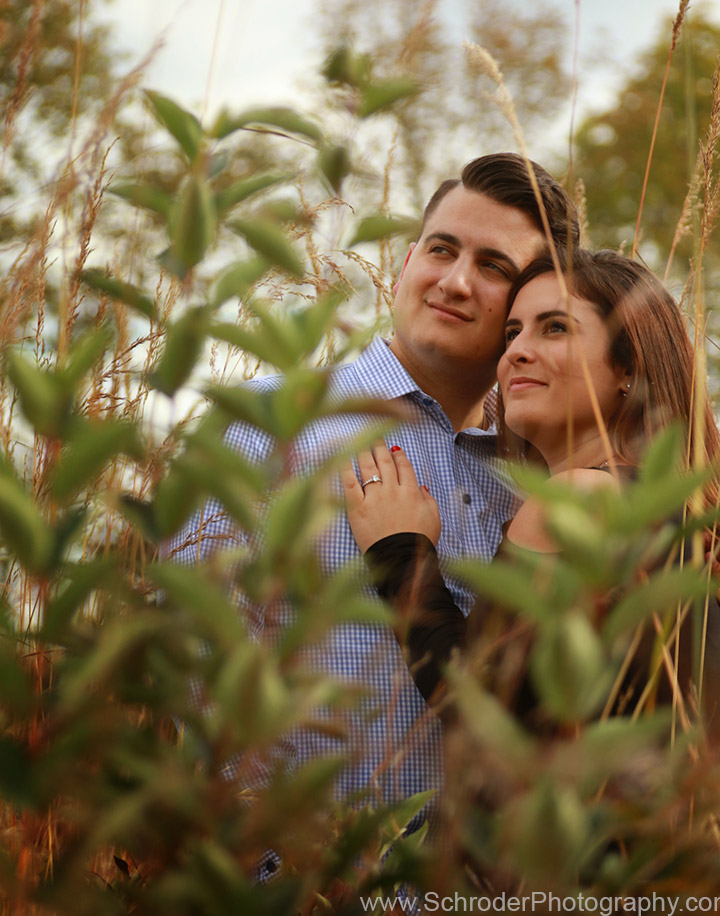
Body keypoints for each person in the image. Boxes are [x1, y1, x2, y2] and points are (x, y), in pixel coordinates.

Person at [162, 153, 580, 815]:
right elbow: (193, 669)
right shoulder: (265, 424)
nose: (455, 281)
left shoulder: (536, 485)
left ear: (530, 305)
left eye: (493, 266)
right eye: (441, 250)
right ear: (405, 261)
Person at [342, 249, 720, 743]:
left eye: (554, 328)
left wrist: (401, 554)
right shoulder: (680, 516)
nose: (515, 353)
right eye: (512, 333)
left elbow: (480, 705)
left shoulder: (576, 498)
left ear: (628, 367)